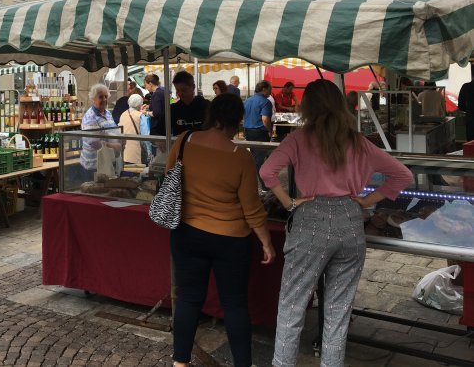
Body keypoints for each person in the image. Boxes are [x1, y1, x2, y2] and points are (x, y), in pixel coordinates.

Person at [259, 79, 412, 367]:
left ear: (307, 107)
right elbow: (403, 175)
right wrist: (368, 200)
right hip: (350, 221)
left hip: (310, 219)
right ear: (341, 105)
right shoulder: (359, 142)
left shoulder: (298, 139)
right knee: (338, 312)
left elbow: (267, 171)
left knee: (292, 307)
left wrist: (288, 202)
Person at [169, 94, 275, 367]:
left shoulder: (183, 141)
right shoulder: (240, 156)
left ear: (210, 114)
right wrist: (266, 242)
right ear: (238, 120)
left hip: (187, 232)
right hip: (231, 240)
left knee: (189, 299)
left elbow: (170, 179)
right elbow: (251, 208)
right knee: (235, 305)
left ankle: (180, 363)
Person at [79, 83, 119, 178]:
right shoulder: (90, 117)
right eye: (101, 97)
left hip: (106, 161)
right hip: (94, 165)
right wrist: (115, 146)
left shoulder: (107, 112)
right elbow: (94, 143)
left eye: (106, 96)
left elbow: (112, 131)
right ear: (93, 99)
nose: (105, 99)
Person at [170, 71, 209, 135]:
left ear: (193, 87)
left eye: (184, 90)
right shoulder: (173, 109)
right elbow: (158, 131)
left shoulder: (207, 106)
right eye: (177, 90)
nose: (180, 94)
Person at [117, 93, 144, 164]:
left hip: (124, 151)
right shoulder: (141, 116)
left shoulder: (123, 114)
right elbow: (145, 134)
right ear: (139, 104)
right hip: (135, 151)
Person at [459, 71, 474, 141]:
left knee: (471, 146)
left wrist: (468, 110)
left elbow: (461, 106)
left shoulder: (466, 87)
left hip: (471, 121)